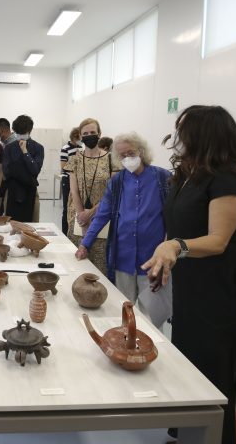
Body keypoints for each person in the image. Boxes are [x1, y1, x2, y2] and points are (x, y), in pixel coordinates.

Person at [141, 105, 236, 444]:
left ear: (206, 135)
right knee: (193, 368)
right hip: (193, 287)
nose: (179, 138)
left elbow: (218, 240)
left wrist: (176, 247)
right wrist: (164, 260)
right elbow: (178, 226)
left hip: (225, 293)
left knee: (220, 378)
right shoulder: (189, 176)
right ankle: (193, 436)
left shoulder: (230, 179)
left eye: (185, 130)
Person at [75, 132, 172, 328]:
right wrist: (85, 244)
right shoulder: (117, 183)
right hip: (123, 258)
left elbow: (175, 215)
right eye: (122, 155)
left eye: (131, 153)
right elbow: (102, 215)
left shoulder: (162, 178)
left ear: (141, 152)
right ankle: (126, 349)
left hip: (152, 259)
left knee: (151, 319)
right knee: (124, 311)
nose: (127, 158)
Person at [64, 117, 114, 275]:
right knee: (76, 263)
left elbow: (111, 193)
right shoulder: (74, 159)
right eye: (85, 133)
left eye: (93, 132)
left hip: (103, 217)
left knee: (99, 264)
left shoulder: (112, 159)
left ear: (99, 133)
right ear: (80, 135)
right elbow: (74, 190)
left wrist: (91, 213)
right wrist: (82, 216)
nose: (89, 135)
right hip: (77, 217)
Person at [2, 115, 44, 222]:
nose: (20, 136)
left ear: (30, 131)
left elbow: (35, 170)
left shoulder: (38, 148)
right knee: (10, 224)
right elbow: (6, 171)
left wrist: (25, 152)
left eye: (23, 133)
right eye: (18, 133)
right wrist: (26, 173)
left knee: (31, 225)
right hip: (12, 191)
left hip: (31, 191)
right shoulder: (9, 148)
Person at [60, 128, 81, 234]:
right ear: (74, 137)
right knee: (66, 208)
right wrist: (75, 158)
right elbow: (63, 166)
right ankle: (64, 232)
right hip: (67, 179)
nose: (80, 139)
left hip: (79, 180)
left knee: (76, 207)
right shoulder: (65, 148)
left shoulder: (81, 148)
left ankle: (73, 231)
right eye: (79, 137)